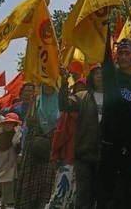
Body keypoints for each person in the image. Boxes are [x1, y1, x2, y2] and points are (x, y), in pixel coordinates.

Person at [97, 37, 131, 209]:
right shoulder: (111, 75)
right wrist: (106, 15)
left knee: (130, 197)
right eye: (120, 53)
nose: (123, 56)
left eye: (127, 53)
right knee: (106, 197)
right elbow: (104, 55)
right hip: (110, 147)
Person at [59, 67, 105, 209]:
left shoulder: (114, 97)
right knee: (83, 196)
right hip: (84, 155)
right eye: (97, 74)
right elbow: (64, 105)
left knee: (103, 196)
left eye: (103, 74)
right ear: (91, 77)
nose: (100, 76)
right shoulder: (82, 96)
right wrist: (65, 82)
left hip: (106, 156)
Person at [15, 84, 60, 209]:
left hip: (53, 146)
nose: (47, 86)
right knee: (30, 184)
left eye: (50, 83)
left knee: (47, 184)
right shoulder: (37, 100)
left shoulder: (61, 101)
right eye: (45, 84)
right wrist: (33, 104)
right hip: (33, 147)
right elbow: (28, 125)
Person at [45, 77, 87, 209]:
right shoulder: (89, 111)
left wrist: (54, 155)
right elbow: (61, 134)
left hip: (72, 158)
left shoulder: (69, 112)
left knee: (62, 194)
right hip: (79, 157)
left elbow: (60, 134)